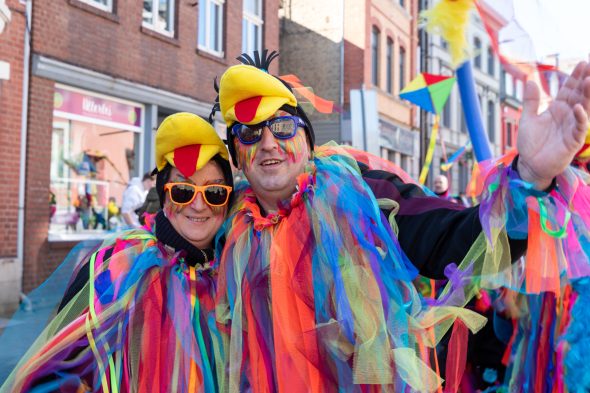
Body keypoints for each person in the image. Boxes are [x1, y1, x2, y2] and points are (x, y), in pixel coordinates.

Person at [212, 50, 590, 392]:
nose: (267, 143)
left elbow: (451, 238)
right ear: (236, 155)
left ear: (306, 139)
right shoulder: (229, 227)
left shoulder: (360, 194)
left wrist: (529, 178)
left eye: (281, 127)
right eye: (248, 133)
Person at [1, 113, 233, 393]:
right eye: (183, 191)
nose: (198, 205)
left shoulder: (234, 273)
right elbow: (60, 367)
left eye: (215, 193)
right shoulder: (119, 265)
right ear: (164, 196)